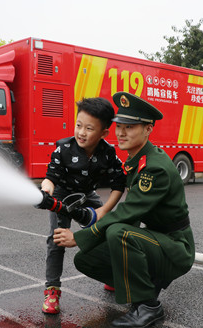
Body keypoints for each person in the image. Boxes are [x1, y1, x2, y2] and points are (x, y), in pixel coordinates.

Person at [54, 92, 195, 327]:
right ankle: (144, 287)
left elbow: (126, 214)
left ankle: (148, 306)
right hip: (155, 240)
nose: (121, 133)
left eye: (130, 127)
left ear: (148, 129)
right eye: (119, 126)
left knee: (119, 231)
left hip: (175, 247)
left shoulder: (154, 168)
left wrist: (79, 237)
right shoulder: (137, 160)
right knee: (86, 260)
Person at [39, 97, 127, 314]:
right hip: (60, 194)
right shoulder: (63, 149)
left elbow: (119, 184)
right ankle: (52, 290)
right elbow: (50, 177)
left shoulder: (107, 152)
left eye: (89, 128)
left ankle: (110, 276)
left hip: (87, 195)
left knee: (108, 231)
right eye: (79, 125)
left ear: (104, 133)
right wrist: (47, 189)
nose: (81, 132)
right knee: (56, 240)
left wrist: (103, 211)